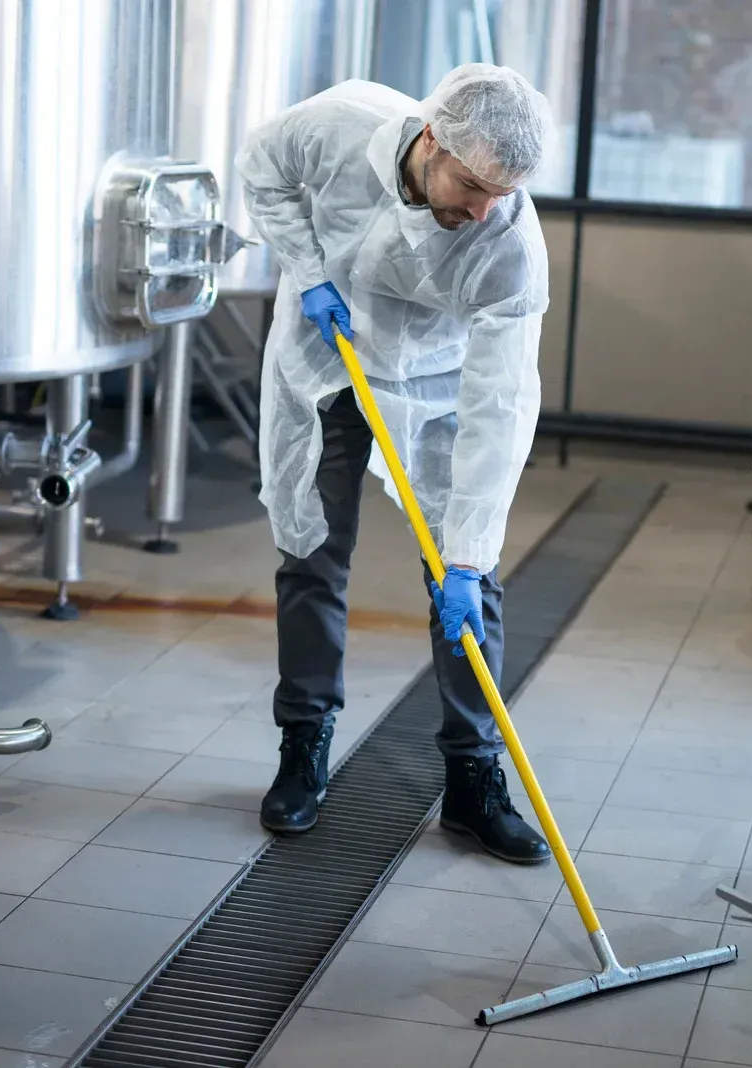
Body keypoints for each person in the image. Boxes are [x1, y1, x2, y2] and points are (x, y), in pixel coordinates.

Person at [236, 64, 553, 865]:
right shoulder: (339, 125)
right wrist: (309, 273)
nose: (483, 210)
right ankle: (303, 745)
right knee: (312, 551)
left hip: (438, 386)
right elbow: (262, 168)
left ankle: (473, 780)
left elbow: (501, 406)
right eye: (473, 186)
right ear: (432, 140)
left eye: (502, 194)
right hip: (329, 360)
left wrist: (466, 556)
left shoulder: (508, 242)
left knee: (468, 582)